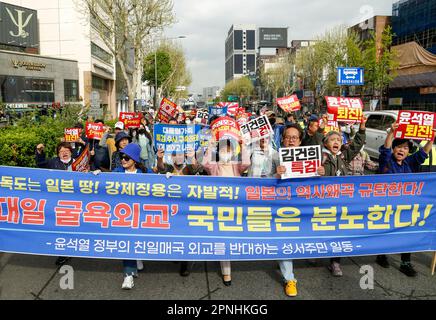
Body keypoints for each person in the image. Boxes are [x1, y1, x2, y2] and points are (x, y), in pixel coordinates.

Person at [375, 123, 435, 276]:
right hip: (387, 205)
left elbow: (423, 153)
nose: (402, 150)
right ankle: (381, 255)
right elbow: (385, 150)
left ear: (408, 151)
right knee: (386, 231)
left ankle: (405, 262)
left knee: (408, 232)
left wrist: (431, 138)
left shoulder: (410, 162)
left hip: (406, 206)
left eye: (406, 148)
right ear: (394, 149)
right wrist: (391, 133)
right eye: (399, 147)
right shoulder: (387, 162)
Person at [274, 123, 325, 297]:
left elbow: (318, 183)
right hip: (283, 205)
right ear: (282, 139)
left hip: (305, 204)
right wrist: (275, 175)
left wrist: (320, 172)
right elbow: (259, 181)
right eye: (287, 137)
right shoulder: (275, 157)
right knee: (285, 240)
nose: (291, 141)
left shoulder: (311, 158)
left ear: (300, 141)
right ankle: (289, 278)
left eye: (294, 137)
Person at [321, 116, 367, 276]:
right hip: (322, 202)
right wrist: (318, 171)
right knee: (321, 230)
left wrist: (361, 129)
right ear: (325, 142)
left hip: (340, 202)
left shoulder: (342, 156)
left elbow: (356, 146)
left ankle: (335, 262)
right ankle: (312, 252)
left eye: (339, 140)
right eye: (332, 139)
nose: (336, 142)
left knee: (338, 232)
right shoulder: (320, 157)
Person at [202, 137, 251, 286]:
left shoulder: (236, 166)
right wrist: (210, 146)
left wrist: (242, 146)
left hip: (234, 208)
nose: (225, 152)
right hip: (218, 208)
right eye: (223, 149)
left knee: (230, 237)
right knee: (223, 237)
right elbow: (204, 164)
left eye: (228, 150)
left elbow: (247, 163)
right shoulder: (214, 166)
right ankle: (226, 272)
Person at [112, 143, 153, 289]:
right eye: (121, 157)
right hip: (124, 217)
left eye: (126, 158)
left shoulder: (146, 173)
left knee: (137, 241)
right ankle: (128, 276)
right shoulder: (117, 173)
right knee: (126, 242)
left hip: (141, 215)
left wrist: (167, 178)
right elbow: (104, 182)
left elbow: (160, 185)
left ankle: (137, 256)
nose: (123, 160)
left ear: (134, 160)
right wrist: (97, 175)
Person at [156, 147, 201, 276]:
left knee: (185, 235)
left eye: (182, 155)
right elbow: (160, 168)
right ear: (173, 157)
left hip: (187, 209)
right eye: (177, 155)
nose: (179, 158)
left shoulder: (188, 169)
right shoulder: (169, 168)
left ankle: (184, 264)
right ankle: (176, 254)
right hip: (171, 209)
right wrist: (159, 158)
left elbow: (197, 169)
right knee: (173, 233)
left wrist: (192, 157)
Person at [35, 142, 81, 265]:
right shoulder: (53, 162)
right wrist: (40, 153)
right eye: (61, 151)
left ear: (71, 152)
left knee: (76, 226)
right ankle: (64, 253)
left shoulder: (80, 162)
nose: (64, 153)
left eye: (66, 150)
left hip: (77, 201)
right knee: (62, 227)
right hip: (59, 202)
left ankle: (78, 246)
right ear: (58, 154)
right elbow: (40, 164)